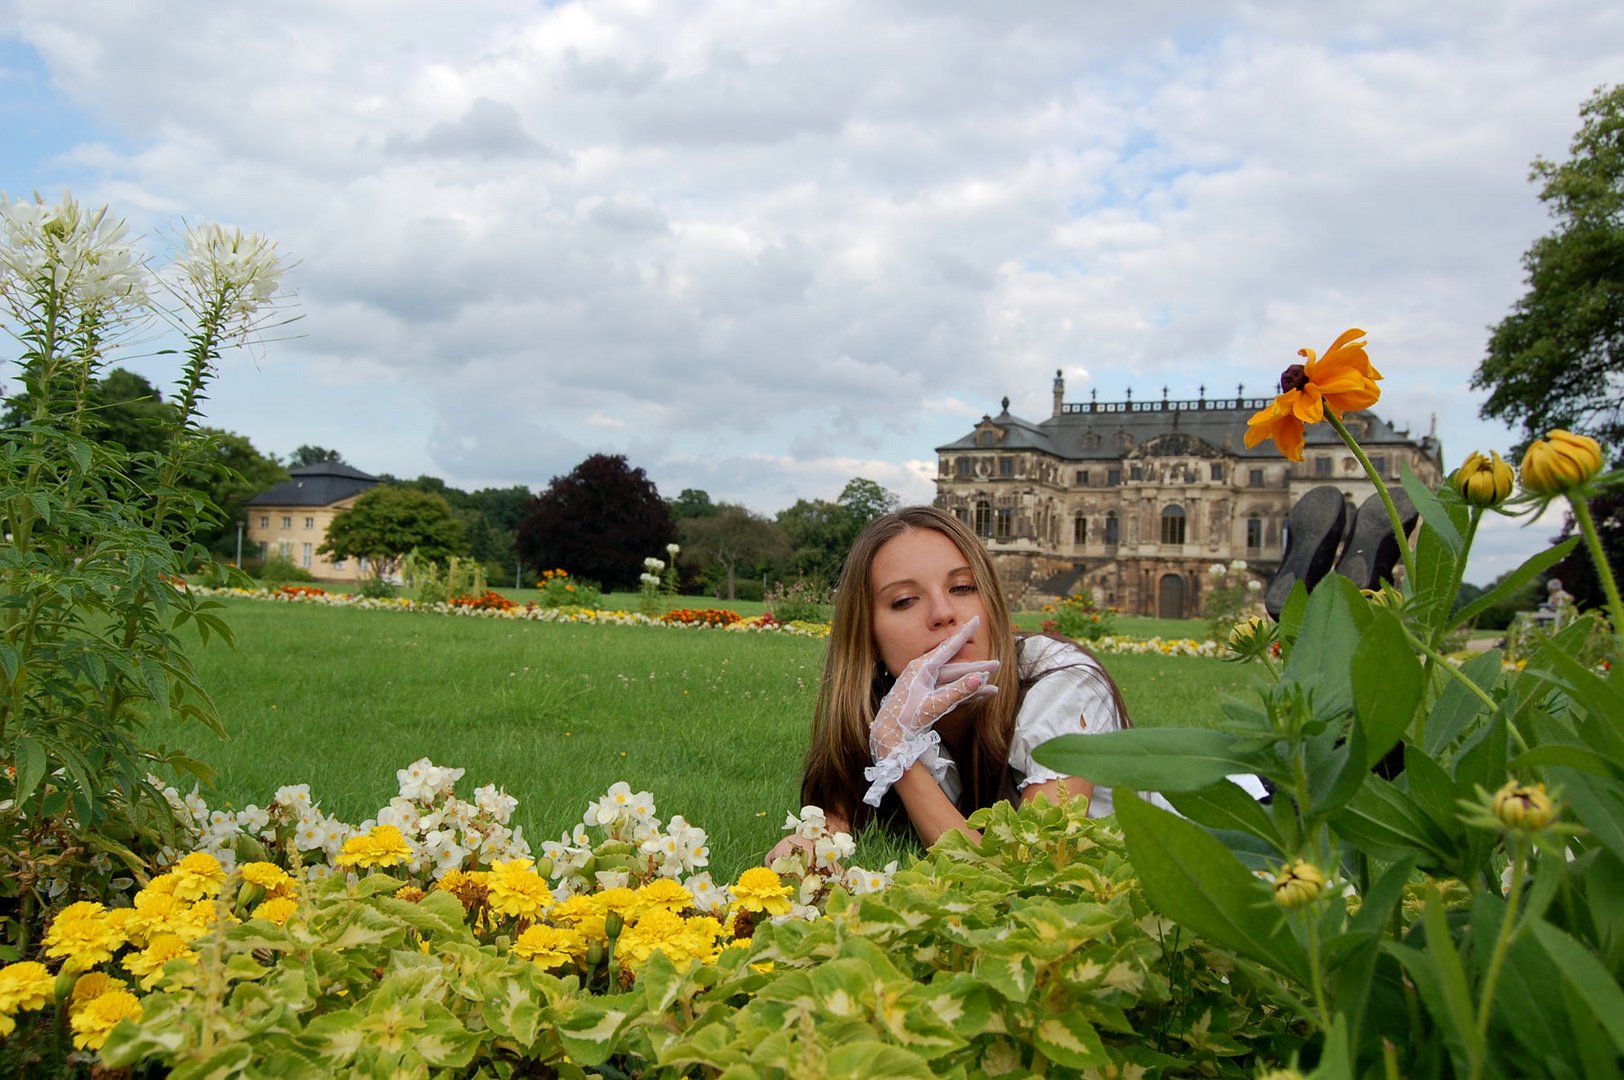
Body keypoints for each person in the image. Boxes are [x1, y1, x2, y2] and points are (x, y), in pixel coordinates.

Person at [767, 506, 1142, 862]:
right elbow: (839, 816)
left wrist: (897, 752)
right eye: (904, 600)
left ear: (991, 601)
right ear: (868, 638)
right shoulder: (883, 703)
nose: (944, 613)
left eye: (962, 587)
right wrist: (811, 844)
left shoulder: (1061, 684)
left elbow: (1028, 872)